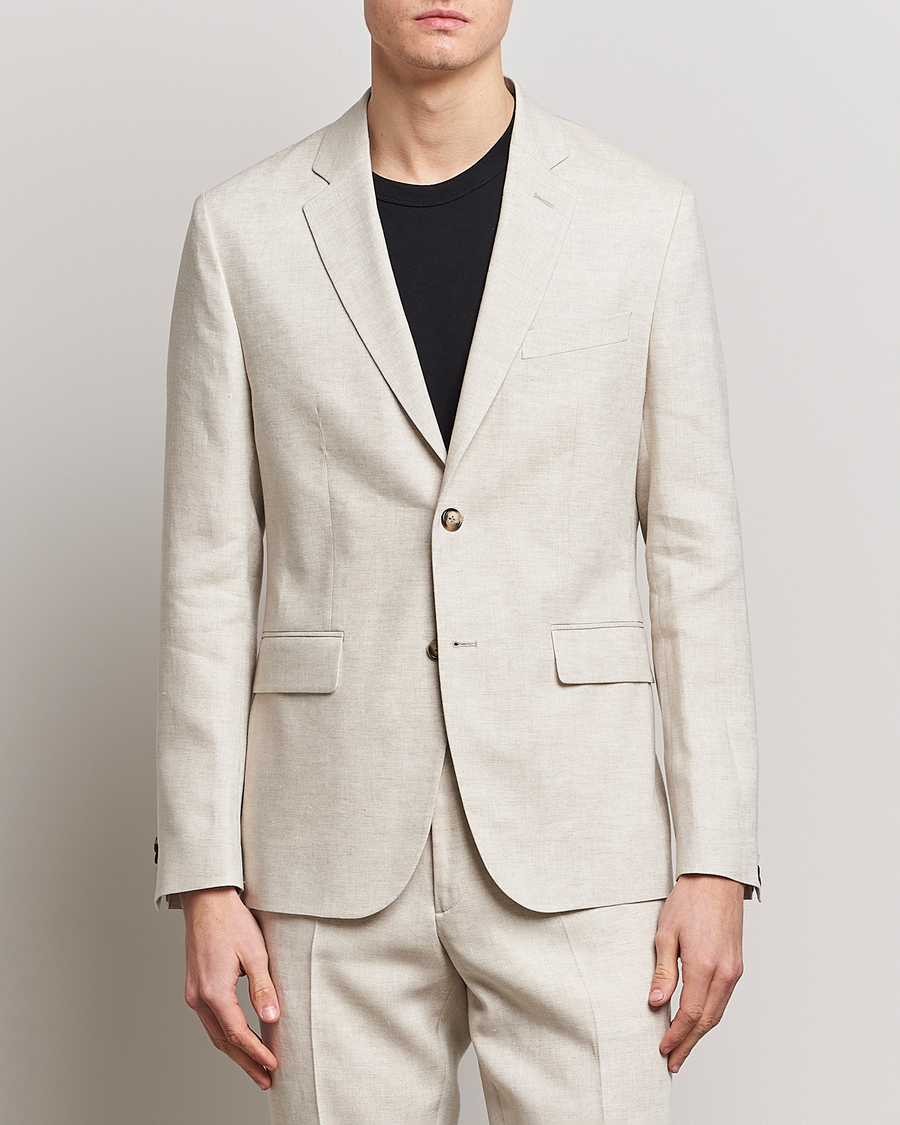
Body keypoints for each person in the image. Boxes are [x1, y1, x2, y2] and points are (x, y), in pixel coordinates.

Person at [154, 2, 761, 1121]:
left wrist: (716, 855)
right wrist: (203, 872)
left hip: (580, 838)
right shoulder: (242, 232)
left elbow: (694, 558)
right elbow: (206, 574)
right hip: (327, 846)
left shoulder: (642, 220)